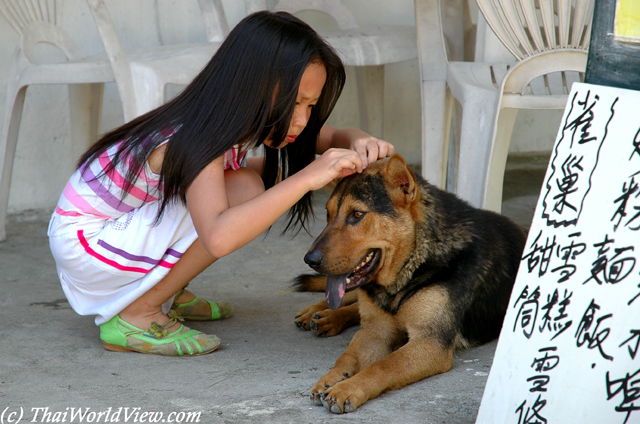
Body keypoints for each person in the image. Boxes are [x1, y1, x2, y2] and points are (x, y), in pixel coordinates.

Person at [48, 11, 394, 357]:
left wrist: (360, 140)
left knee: (250, 182)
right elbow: (218, 236)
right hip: (87, 246)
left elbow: (327, 135)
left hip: (104, 234)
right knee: (246, 192)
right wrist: (308, 177)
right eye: (294, 103)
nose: (302, 119)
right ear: (250, 86)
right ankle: (140, 313)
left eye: (311, 105)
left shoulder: (216, 120)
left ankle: (167, 290)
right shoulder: (197, 138)